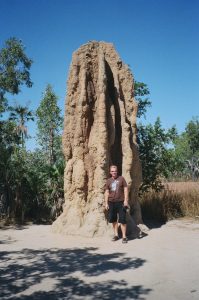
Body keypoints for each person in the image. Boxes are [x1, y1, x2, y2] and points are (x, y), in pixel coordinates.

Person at [104, 165, 129, 243]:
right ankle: (116, 235)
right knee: (114, 220)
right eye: (112, 171)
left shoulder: (121, 179)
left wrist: (126, 200)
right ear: (110, 172)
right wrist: (106, 203)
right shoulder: (108, 181)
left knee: (123, 219)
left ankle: (124, 237)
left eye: (115, 171)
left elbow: (125, 189)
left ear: (117, 171)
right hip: (111, 202)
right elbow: (107, 192)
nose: (114, 172)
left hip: (121, 202)